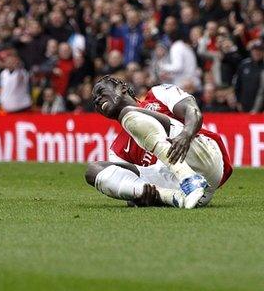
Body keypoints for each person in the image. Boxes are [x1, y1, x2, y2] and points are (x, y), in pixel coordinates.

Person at [85, 76, 233, 209]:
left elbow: (192, 111)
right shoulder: (117, 151)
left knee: (129, 113)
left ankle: (189, 178)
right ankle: (173, 197)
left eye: (101, 91)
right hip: (186, 191)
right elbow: (127, 190)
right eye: (95, 101)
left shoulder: (158, 93)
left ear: (122, 88)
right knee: (93, 170)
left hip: (200, 157)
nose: (97, 100)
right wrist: (140, 197)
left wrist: (186, 134)